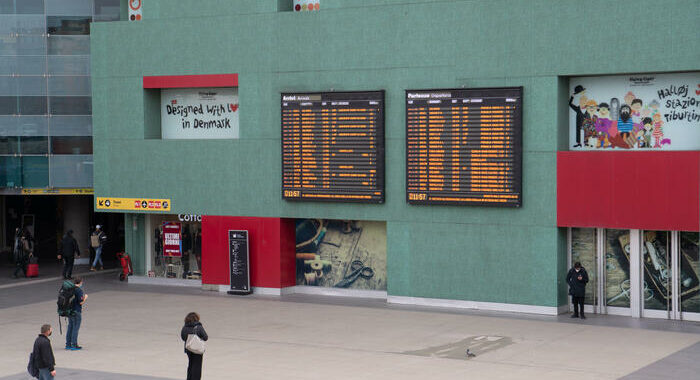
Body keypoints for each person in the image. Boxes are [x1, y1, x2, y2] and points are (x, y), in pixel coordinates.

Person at [180, 312, 208, 380]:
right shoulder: (199, 327)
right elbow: (205, 337)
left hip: (189, 349)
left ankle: (189, 378)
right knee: (197, 366)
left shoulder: (185, 327)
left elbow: (183, 337)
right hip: (197, 349)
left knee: (191, 364)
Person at [66, 277, 87, 350]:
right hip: (76, 311)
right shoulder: (79, 290)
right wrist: (85, 298)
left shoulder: (69, 289)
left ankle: (68, 344)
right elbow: (80, 302)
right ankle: (74, 344)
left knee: (70, 327)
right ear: (80, 282)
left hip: (69, 310)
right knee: (76, 328)